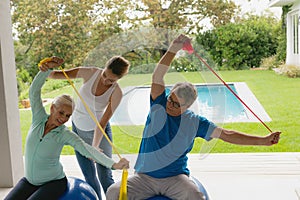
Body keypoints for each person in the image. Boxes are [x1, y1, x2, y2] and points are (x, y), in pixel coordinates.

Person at [106, 34, 281, 200]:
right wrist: (174, 48)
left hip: (175, 178)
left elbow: (227, 134)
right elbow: (157, 75)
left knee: (196, 196)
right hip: (144, 178)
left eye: (177, 104)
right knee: (113, 192)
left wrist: (263, 140)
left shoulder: (195, 122)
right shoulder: (158, 105)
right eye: (171, 99)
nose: (170, 105)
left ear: (187, 106)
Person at [4, 57, 129, 200]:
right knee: (89, 175)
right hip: (30, 180)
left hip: (57, 179)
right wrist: (47, 69)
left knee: (104, 176)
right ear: (52, 108)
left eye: (68, 116)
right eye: (61, 113)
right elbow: (34, 91)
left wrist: (114, 164)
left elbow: (90, 143)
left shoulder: (64, 134)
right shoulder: (38, 119)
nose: (63, 118)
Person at [47, 55, 130, 199]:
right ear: (104, 67)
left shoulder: (116, 93)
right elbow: (55, 75)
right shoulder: (90, 73)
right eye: (105, 75)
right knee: (89, 177)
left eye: (111, 80)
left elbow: (102, 123)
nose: (105, 80)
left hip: (98, 133)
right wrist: (47, 66)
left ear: (118, 79)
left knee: (105, 176)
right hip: (78, 130)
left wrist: (95, 147)